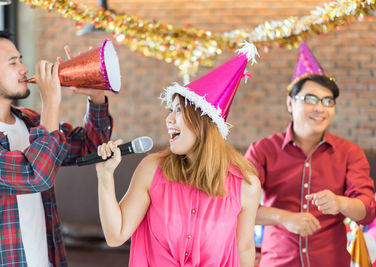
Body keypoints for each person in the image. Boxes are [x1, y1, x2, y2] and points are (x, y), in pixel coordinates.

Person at [95, 44, 261, 266]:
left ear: (204, 123)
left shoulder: (246, 185)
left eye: (179, 111)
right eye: (170, 110)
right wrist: (105, 177)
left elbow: (245, 248)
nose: (169, 119)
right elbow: (116, 236)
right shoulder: (152, 168)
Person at [0, 28, 113, 266]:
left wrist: (96, 96)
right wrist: (51, 102)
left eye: (20, 59)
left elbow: (92, 147)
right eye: (13, 63)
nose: (24, 69)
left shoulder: (30, 122)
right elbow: (36, 176)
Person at [244, 42, 376, 267]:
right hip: (278, 262)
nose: (320, 108)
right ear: (290, 103)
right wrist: (284, 218)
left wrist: (341, 203)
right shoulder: (262, 150)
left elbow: (368, 211)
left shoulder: (349, 152)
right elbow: (238, 207)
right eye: (311, 99)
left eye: (328, 101)